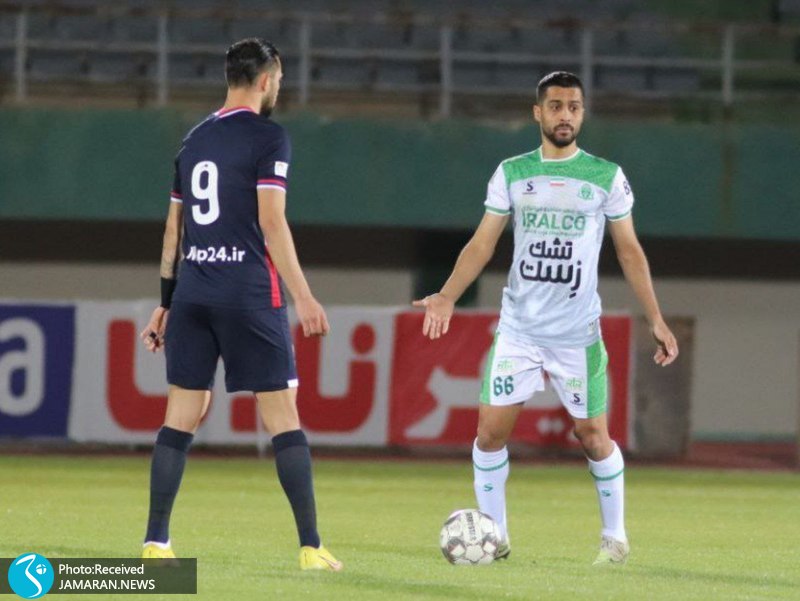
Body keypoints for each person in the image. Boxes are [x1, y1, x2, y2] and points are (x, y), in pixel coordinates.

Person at [413, 71, 678, 565]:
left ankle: (615, 537)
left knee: (592, 437)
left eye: (574, 107)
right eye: (555, 106)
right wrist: (447, 295)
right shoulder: (512, 172)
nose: (565, 115)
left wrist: (655, 318)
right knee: (489, 434)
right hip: (519, 331)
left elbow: (629, 251)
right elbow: (483, 243)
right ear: (538, 113)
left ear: (583, 113)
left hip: (577, 335)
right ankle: (496, 538)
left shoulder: (605, 176)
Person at [138, 38, 342, 572]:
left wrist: (165, 303)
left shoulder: (192, 140)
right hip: (249, 294)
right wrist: (304, 295)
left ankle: (156, 542)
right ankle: (311, 547)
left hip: (192, 294)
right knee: (282, 417)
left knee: (181, 416)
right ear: (267, 80)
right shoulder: (269, 137)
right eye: (280, 80)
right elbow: (272, 222)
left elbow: (173, 232)